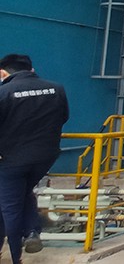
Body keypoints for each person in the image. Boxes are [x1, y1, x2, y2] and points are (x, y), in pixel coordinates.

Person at [0, 54, 69, 264]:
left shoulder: (4, 92)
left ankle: (15, 256)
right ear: (31, 69)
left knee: (10, 207)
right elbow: (64, 117)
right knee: (23, 192)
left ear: (3, 72)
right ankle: (32, 232)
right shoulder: (56, 89)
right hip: (45, 156)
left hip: (11, 159)